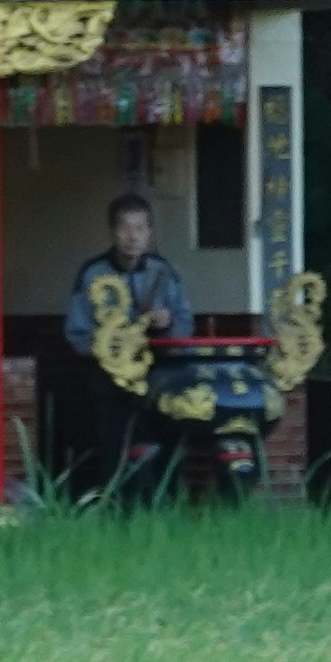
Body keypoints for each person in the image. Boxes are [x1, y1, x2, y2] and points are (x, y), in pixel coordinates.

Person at [60, 190, 199, 499]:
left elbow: (186, 323)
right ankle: (117, 511)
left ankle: (163, 509)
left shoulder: (164, 271)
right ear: (112, 232)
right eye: (125, 228)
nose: (132, 236)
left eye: (140, 228)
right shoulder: (93, 273)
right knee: (114, 451)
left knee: (162, 447)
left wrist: (168, 324)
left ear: (149, 233)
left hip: (158, 377)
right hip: (110, 379)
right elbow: (76, 333)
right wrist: (114, 342)